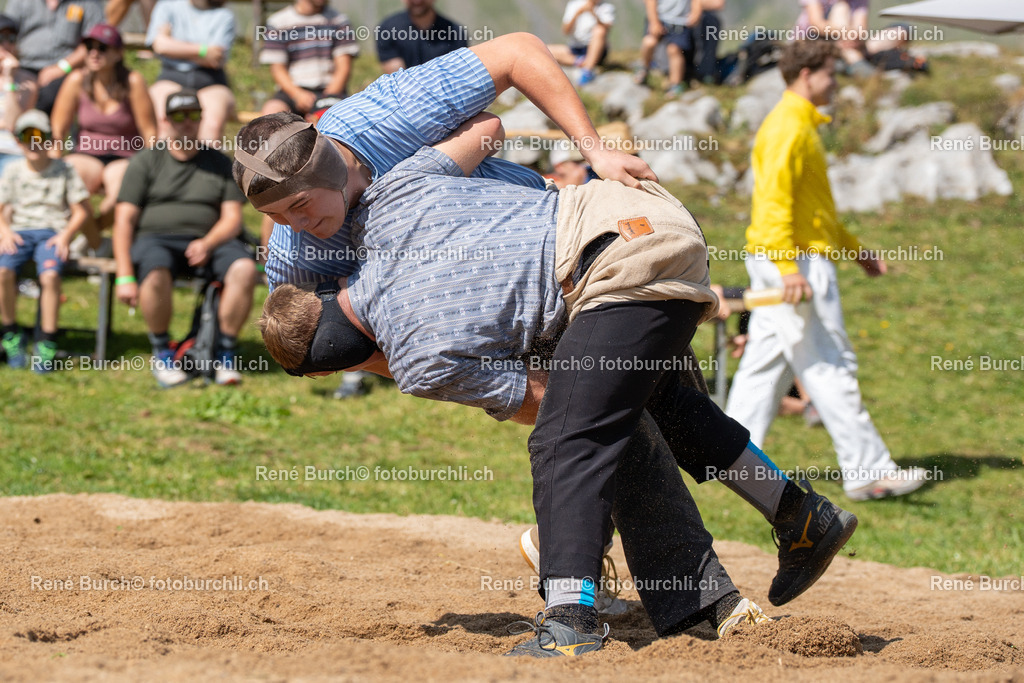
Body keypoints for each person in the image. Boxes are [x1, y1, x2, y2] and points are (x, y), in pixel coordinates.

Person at [240, 119, 859, 657]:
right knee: (658, 401)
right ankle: (801, 515)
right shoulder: (393, 191)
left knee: (567, 440)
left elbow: (547, 405)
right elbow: (485, 130)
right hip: (637, 211)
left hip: (611, 266)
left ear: (340, 364)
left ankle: (569, 618)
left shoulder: (418, 359)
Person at [724, 40, 926, 502]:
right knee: (828, 362)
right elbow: (773, 204)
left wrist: (858, 253)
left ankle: (728, 458)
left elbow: (816, 212)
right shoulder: (788, 129)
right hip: (795, 263)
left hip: (790, 258)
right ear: (807, 75)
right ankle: (868, 472)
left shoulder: (798, 125)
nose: (836, 82)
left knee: (764, 364)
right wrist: (788, 267)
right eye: (831, 73)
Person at [112, 91, 257, 387]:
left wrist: (208, 243)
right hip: (156, 239)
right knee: (154, 271)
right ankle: (162, 352)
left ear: (202, 118)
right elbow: (124, 220)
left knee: (244, 268)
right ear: (166, 120)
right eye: (179, 115)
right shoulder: (146, 160)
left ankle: (224, 355)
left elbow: (232, 219)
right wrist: (124, 275)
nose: (187, 122)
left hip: (210, 240)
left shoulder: (219, 162)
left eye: (193, 114)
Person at [50, 23, 157, 245]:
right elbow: (58, 129)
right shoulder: (76, 80)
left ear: (118, 53)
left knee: (120, 195)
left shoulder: (132, 81)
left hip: (125, 155)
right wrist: (53, 160)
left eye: (102, 47)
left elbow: (149, 131)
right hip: (87, 153)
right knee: (70, 181)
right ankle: (97, 243)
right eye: (89, 47)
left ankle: (90, 240)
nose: (94, 53)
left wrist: (151, 165)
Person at [0, 109, 90, 371]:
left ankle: (47, 342)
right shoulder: (13, 170)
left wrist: (66, 236)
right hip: (19, 232)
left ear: (50, 140)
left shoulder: (64, 169)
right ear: (18, 140)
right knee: (3, 271)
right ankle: (10, 333)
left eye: (40, 137)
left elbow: (82, 210)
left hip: (52, 233)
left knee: (50, 276)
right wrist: (5, 231)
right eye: (27, 136)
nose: (34, 143)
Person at [146, 0, 235, 143]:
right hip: (171, 76)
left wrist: (173, 47)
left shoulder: (224, 16)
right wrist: (203, 50)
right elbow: (160, 46)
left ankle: (206, 165)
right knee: (164, 123)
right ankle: (165, 165)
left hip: (211, 80)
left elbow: (216, 58)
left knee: (211, 127)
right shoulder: (166, 7)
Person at [258, 0, 358, 117]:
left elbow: (343, 68)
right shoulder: (278, 23)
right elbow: (278, 69)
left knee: (326, 122)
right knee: (271, 112)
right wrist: (298, 95)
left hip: (330, 91)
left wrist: (322, 104)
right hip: (292, 92)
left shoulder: (339, 21)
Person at [4, 0, 104, 114]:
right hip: (22, 66)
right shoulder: (20, 2)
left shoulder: (88, 3)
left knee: (48, 98)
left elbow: (93, 43)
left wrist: (61, 68)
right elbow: (6, 31)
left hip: (65, 70)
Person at [375, 0, 467, 75]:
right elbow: (398, 77)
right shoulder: (388, 29)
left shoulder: (455, 32)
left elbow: (456, 74)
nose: (417, 1)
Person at [635, 0, 702, 96]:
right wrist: (654, 21)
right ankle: (644, 68)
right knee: (650, 42)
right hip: (659, 17)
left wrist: (696, 12)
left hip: (680, 21)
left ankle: (675, 84)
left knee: (674, 50)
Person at [0, 14, 39, 177]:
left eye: (11, 38)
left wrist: (9, 80)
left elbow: (13, 124)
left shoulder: (28, 82)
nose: (7, 44)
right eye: (1, 38)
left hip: (12, 152)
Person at [547, 0, 615, 87]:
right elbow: (565, 30)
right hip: (575, 48)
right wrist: (578, 12)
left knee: (599, 30)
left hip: (597, 49)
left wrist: (593, 13)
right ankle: (582, 61)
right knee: (545, 49)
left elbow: (606, 28)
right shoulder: (574, 4)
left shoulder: (606, 7)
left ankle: (587, 70)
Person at [795, 0, 872, 76]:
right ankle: (856, 62)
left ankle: (851, 60)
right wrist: (845, 33)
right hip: (811, 42)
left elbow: (861, 30)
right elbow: (817, 25)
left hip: (844, 44)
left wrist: (852, 37)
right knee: (841, 8)